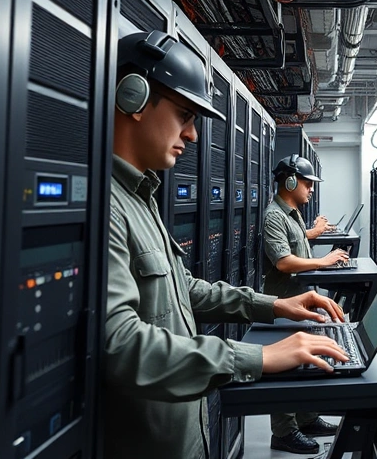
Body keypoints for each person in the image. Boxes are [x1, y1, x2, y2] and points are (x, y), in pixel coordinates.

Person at [104, 30, 349, 459]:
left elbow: (189, 289)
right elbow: (121, 345)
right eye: (184, 114)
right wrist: (257, 357)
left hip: (184, 435)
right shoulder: (106, 207)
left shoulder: (142, 200)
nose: (194, 135)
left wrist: (274, 306)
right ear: (133, 97)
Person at [263, 154, 350, 453]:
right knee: (286, 368)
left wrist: (315, 231)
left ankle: (306, 418)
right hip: (285, 302)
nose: (311, 189)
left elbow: (298, 241)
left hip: (301, 300)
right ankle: (284, 432)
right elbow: (284, 262)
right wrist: (323, 261)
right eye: (307, 183)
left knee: (302, 363)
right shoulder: (273, 216)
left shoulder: (293, 212)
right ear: (289, 181)